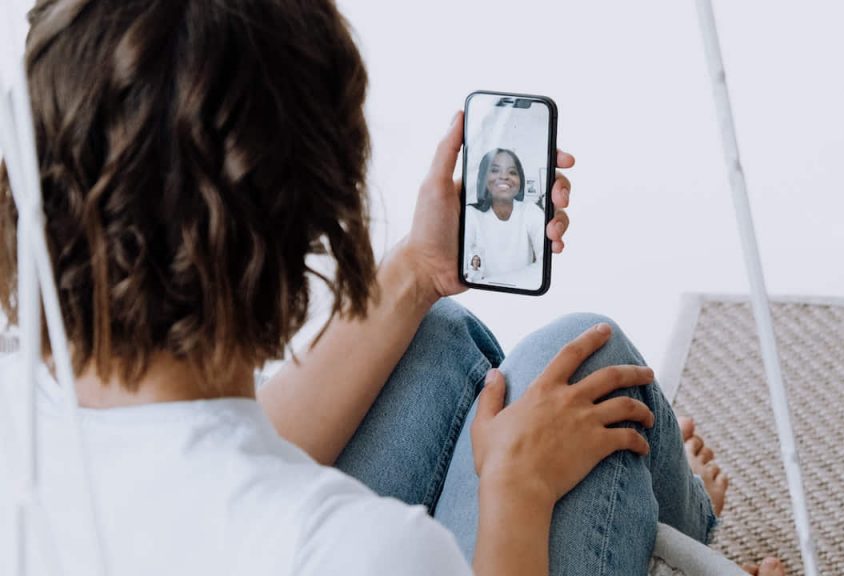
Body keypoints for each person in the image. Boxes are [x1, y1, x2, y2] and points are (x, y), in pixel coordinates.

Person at [0, 1, 784, 575]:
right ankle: (684, 540)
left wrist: (417, 268)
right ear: (313, 212)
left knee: (435, 338)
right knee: (579, 365)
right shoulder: (366, 553)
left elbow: (209, 458)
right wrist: (516, 487)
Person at [464, 148, 546, 280]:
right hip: (481, 293)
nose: (504, 176)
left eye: (512, 172)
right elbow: (465, 268)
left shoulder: (530, 211)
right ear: (483, 177)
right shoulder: (471, 214)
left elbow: (545, 263)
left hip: (522, 294)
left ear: (521, 180)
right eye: (495, 170)